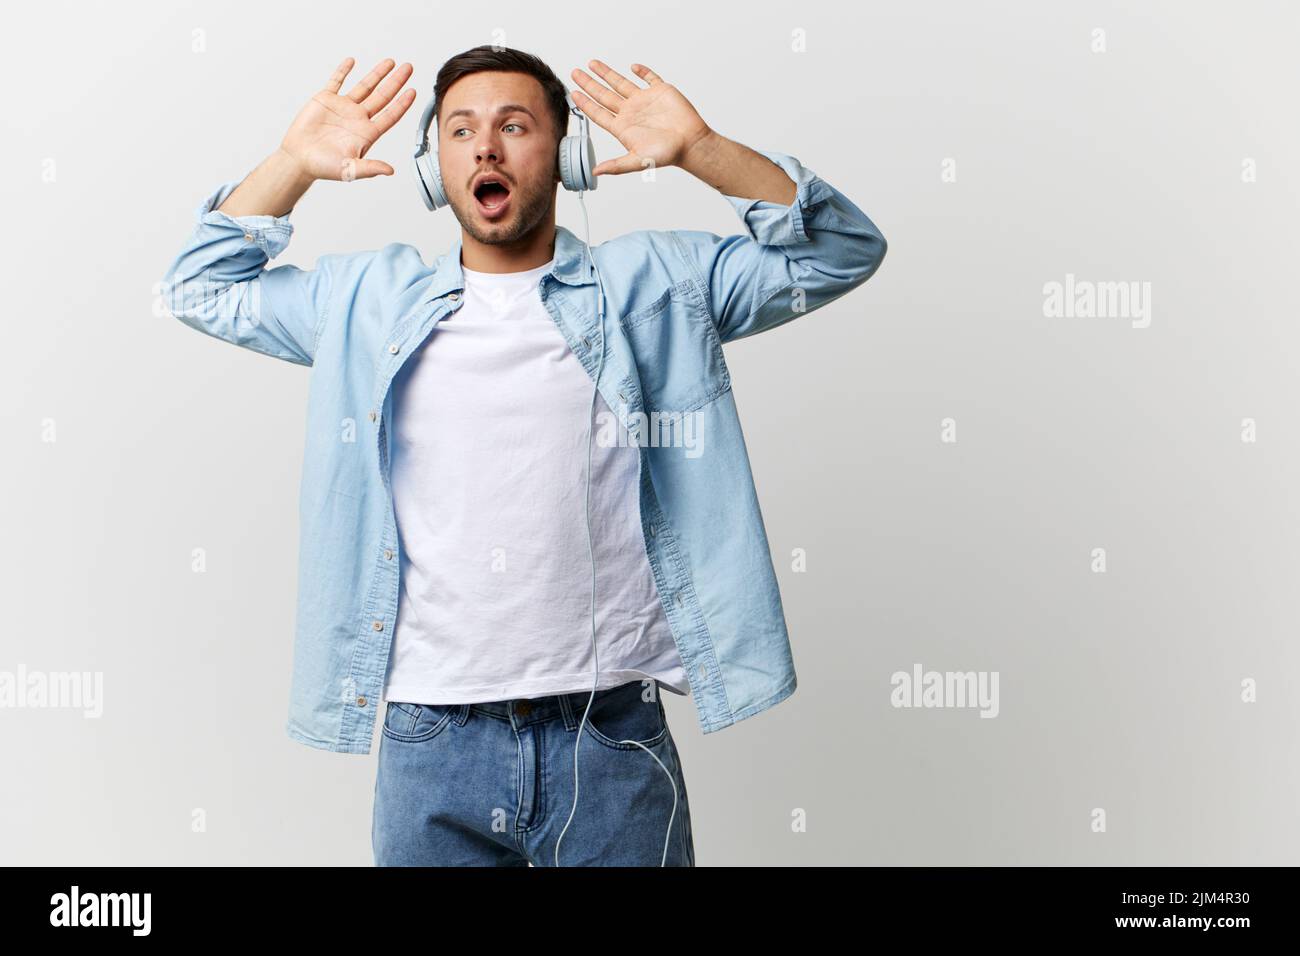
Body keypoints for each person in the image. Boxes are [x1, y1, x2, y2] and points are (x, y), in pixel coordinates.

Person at [159, 45, 887, 866]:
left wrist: (702, 151)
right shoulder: (364, 300)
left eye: (515, 125)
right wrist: (293, 164)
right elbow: (197, 288)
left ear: (569, 154)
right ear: (436, 165)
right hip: (431, 742)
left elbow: (841, 251)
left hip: (611, 735)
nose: (486, 148)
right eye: (460, 130)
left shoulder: (655, 284)